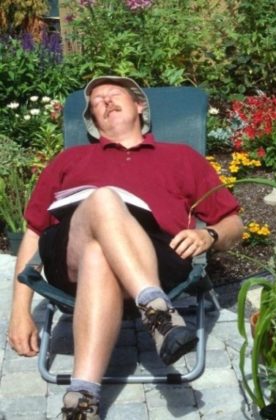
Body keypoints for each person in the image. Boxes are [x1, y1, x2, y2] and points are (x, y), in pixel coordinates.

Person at [8, 76, 243, 419]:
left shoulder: (182, 157)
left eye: (114, 94)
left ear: (139, 106)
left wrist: (209, 235)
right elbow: (34, 232)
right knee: (104, 198)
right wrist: (20, 313)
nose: (105, 101)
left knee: (99, 253)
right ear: (92, 119)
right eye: (96, 101)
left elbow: (233, 224)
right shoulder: (69, 159)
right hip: (69, 258)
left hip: (158, 256)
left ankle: (82, 399)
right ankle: (158, 312)